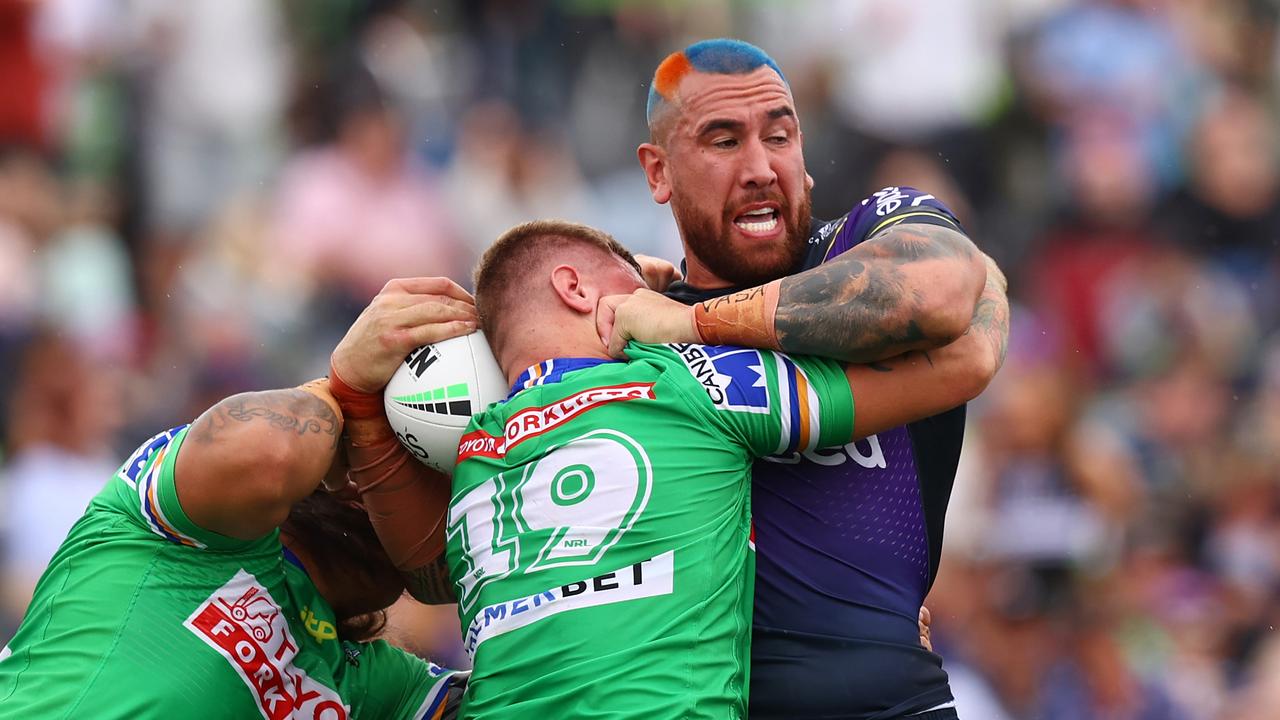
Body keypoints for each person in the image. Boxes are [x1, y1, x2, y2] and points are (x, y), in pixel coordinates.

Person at [407, 219, 1004, 719]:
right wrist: (988, 275)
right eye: (639, 287)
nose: (659, 301)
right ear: (574, 287)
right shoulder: (683, 380)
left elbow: (416, 577)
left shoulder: (470, 453)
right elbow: (965, 363)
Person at [609, 38, 1010, 719]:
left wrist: (697, 325)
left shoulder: (867, 235)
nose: (762, 167)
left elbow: (943, 290)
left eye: (780, 135)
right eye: (723, 140)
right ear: (659, 171)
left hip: (894, 703)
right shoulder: (629, 325)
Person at [0, 277, 477, 719]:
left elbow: (531, 694)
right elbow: (270, 454)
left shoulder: (370, 680)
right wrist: (348, 392)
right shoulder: (184, 528)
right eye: (382, 460)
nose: (407, 500)